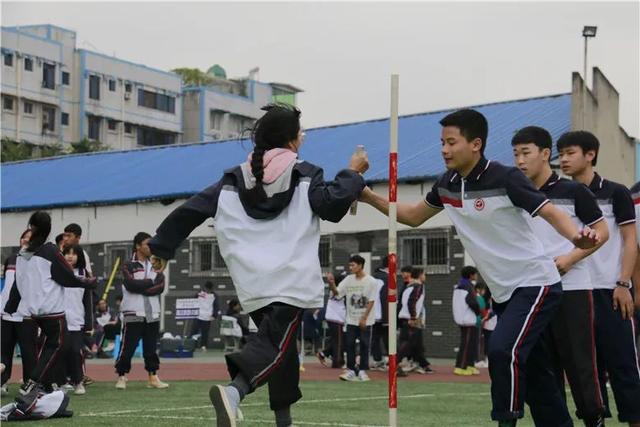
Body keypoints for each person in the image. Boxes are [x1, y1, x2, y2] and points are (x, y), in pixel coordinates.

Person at [359, 109, 601, 427]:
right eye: (441, 143)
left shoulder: (505, 178)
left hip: (536, 283)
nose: (444, 150)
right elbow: (412, 216)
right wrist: (366, 195)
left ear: (475, 144)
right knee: (537, 373)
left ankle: (505, 421)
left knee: (501, 351)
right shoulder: (446, 184)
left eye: (450, 142)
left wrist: (576, 237)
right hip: (503, 293)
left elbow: (551, 212)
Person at [147, 104, 368, 427]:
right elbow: (332, 205)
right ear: (293, 140)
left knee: (282, 347)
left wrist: (162, 247)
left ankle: (283, 418)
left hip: (252, 281)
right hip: (290, 279)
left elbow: (191, 210)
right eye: (300, 134)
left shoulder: (233, 179)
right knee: (275, 345)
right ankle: (235, 392)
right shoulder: (306, 173)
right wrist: (354, 173)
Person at [513, 126, 610, 426]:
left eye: (525, 153)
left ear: (545, 154)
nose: (519, 160)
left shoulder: (573, 191)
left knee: (580, 364)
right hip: (533, 293)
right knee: (542, 367)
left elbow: (602, 232)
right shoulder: (515, 195)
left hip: (573, 289)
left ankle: (594, 418)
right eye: (515, 154)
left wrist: (570, 259)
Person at [557, 130, 640, 427]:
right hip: (575, 294)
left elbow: (631, 241)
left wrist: (623, 283)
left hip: (610, 291)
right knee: (586, 372)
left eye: (570, 153)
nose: (563, 159)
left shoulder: (616, 192)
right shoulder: (558, 195)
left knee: (625, 367)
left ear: (590, 154)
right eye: (560, 154)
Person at [4, 211, 96, 415]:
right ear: (48, 229)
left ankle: (43, 389)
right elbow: (67, 277)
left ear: (32, 227)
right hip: (51, 310)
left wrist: (11, 305)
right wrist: (89, 282)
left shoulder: (22, 253)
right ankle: (33, 384)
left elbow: (18, 285)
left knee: (42, 349)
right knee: (58, 345)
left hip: (29, 311)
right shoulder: (50, 251)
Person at [114, 232, 168, 390]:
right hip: (133, 312)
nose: (150, 247)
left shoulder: (156, 264)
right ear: (138, 246)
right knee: (128, 346)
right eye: (147, 244)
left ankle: (153, 377)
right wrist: (150, 282)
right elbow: (130, 284)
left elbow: (160, 286)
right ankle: (122, 376)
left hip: (152, 313)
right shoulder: (127, 265)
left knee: (151, 347)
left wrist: (143, 286)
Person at [327, 255, 378, 382]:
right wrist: (332, 283)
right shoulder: (348, 279)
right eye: (349, 265)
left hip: (366, 320)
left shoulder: (371, 281)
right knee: (349, 344)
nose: (350, 268)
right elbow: (337, 294)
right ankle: (351, 370)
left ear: (360, 265)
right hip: (350, 319)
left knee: (365, 345)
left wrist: (364, 318)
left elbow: (371, 301)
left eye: (352, 265)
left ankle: (362, 370)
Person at [0, 229, 37, 397]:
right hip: (5, 314)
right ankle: (2, 382)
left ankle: (28, 385)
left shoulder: (37, 261)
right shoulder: (11, 259)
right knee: (4, 350)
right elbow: (6, 286)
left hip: (26, 315)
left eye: (30, 238)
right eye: (24, 237)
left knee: (29, 353)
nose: (26, 240)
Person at [58, 243, 94, 396]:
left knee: (75, 352)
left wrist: (88, 324)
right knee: (60, 352)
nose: (70, 256)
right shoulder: (58, 272)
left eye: (74, 253)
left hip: (77, 321)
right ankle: (61, 382)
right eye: (67, 253)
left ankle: (78, 381)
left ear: (79, 256)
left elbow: (87, 301)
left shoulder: (84, 274)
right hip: (59, 319)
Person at [397, 267, 432, 375]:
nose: (425, 277)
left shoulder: (409, 286)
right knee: (407, 343)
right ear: (420, 275)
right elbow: (412, 302)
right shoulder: (418, 286)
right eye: (424, 274)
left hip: (406, 317)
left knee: (417, 343)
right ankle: (394, 363)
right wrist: (413, 317)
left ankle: (423, 364)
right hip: (411, 319)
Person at [452, 266, 481, 376]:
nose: (476, 276)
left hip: (463, 317)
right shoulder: (468, 286)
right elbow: (472, 302)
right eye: (475, 274)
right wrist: (478, 311)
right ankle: (460, 366)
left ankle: (470, 365)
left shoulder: (460, 285)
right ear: (471, 275)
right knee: (467, 344)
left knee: (471, 343)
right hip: (467, 319)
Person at [317, 272, 346, 369]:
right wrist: (331, 282)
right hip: (336, 318)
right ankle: (337, 362)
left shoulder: (339, 290)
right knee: (338, 341)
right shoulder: (337, 290)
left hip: (335, 318)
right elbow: (335, 291)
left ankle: (323, 353)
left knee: (336, 340)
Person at [371, 256, 389, 371]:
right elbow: (385, 298)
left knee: (375, 338)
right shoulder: (387, 278)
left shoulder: (373, 277)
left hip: (373, 314)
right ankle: (390, 361)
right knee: (388, 337)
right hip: (383, 314)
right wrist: (387, 318)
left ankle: (378, 360)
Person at [192, 281, 220, 351]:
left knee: (205, 332)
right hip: (198, 316)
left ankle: (203, 345)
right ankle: (193, 345)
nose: (208, 291)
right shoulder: (199, 294)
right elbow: (193, 301)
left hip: (207, 317)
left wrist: (214, 315)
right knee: (194, 331)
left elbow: (216, 306)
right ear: (205, 288)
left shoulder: (214, 296)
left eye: (209, 290)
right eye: (207, 289)